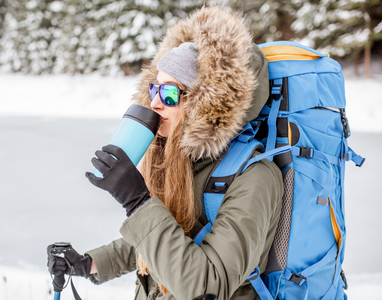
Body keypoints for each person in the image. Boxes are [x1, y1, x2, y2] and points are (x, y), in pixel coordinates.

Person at [47, 6, 283, 300]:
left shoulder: (254, 178)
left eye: (170, 94)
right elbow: (163, 239)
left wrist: (137, 202)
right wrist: (89, 263)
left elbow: (207, 286)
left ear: (205, 104)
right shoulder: (181, 162)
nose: (156, 103)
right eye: (154, 89)